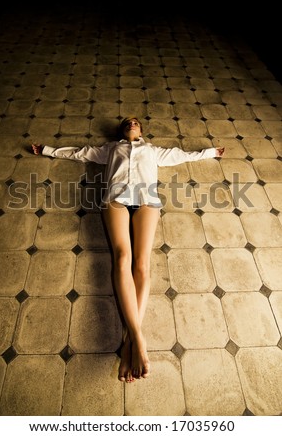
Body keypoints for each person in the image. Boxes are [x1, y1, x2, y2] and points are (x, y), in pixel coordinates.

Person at [32, 116, 225, 383]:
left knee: (142, 264)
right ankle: (137, 340)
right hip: (116, 201)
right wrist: (47, 150)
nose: (132, 122)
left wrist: (210, 152)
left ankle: (130, 343)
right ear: (123, 130)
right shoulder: (110, 149)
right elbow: (79, 153)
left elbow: (182, 155)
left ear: (142, 130)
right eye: (127, 122)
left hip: (147, 201)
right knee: (122, 258)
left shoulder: (153, 150)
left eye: (136, 121)